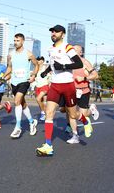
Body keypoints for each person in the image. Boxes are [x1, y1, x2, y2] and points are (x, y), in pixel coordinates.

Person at [35, 25, 92, 157]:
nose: (53, 33)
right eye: (52, 32)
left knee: (72, 115)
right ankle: (48, 146)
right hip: (54, 85)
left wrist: (64, 66)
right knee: (49, 113)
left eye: (56, 31)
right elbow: (53, 64)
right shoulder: (50, 49)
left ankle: (84, 120)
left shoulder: (67, 47)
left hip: (67, 85)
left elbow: (78, 63)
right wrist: (46, 72)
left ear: (63, 34)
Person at [2, 33, 39, 139]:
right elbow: (9, 68)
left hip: (25, 81)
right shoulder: (11, 54)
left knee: (17, 101)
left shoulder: (28, 53)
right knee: (22, 104)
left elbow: (36, 65)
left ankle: (18, 128)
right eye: (14, 40)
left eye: (17, 40)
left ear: (22, 41)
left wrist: (33, 76)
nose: (15, 42)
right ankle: (32, 122)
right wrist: (4, 77)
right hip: (14, 82)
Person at [66, 45, 99, 144]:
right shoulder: (68, 62)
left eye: (76, 50)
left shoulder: (85, 62)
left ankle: (92, 110)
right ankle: (75, 136)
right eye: (72, 50)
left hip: (83, 91)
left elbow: (95, 75)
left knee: (83, 113)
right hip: (70, 90)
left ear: (81, 53)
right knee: (71, 114)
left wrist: (84, 78)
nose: (73, 51)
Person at [34, 56, 51, 121]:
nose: (38, 61)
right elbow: (34, 77)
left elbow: (49, 76)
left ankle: (43, 113)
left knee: (38, 99)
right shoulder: (36, 68)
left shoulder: (45, 67)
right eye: (37, 60)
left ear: (42, 61)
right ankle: (46, 113)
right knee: (42, 102)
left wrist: (49, 83)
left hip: (45, 86)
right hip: (38, 86)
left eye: (39, 60)